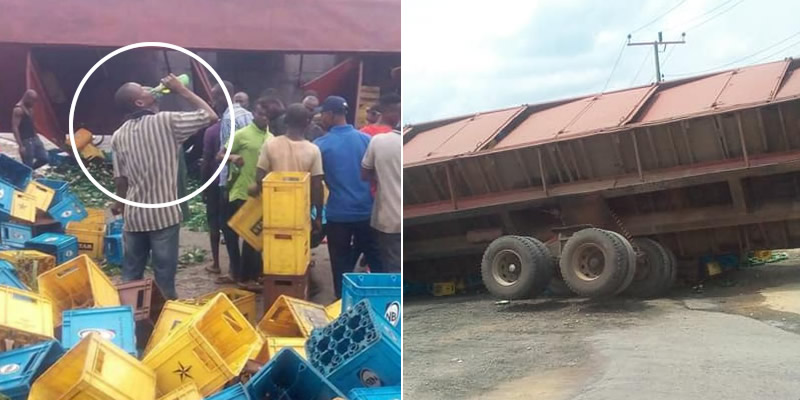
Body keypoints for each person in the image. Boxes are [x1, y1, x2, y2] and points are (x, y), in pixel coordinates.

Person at [110, 74, 217, 299]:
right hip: (164, 216)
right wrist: (181, 90)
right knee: (164, 278)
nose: (149, 87)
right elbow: (210, 116)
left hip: (135, 217)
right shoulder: (166, 122)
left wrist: (119, 204)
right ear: (140, 102)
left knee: (131, 276)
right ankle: (163, 315)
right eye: (142, 88)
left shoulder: (119, 135)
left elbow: (121, 180)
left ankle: (130, 315)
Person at [313, 96, 383, 297]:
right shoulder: (366, 140)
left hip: (338, 215)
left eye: (323, 114)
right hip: (367, 212)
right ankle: (381, 301)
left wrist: (317, 214)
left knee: (340, 264)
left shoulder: (320, 145)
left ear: (330, 114)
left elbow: (317, 183)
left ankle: (342, 302)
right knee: (375, 260)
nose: (321, 118)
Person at [219, 96, 274, 291]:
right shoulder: (242, 135)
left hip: (261, 194)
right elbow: (220, 155)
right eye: (260, 113)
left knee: (257, 237)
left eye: (267, 115)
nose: (263, 117)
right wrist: (233, 157)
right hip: (242, 192)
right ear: (253, 114)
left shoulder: (271, 138)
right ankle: (244, 277)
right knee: (249, 237)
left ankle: (254, 274)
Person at [250, 103, 324, 233]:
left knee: (273, 241)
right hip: (300, 212)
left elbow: (259, 178)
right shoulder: (313, 150)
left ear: (285, 121)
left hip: (273, 209)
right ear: (307, 124)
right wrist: (318, 216)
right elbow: (317, 186)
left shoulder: (270, 144)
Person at [217, 81, 253, 284]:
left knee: (228, 227)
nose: (213, 101)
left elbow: (225, 153)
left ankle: (235, 270)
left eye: (216, 97)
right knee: (247, 226)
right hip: (248, 180)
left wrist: (224, 184)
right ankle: (248, 271)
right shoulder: (247, 115)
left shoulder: (228, 118)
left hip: (232, 182)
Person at [361, 128, 401, 272]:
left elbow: (364, 174)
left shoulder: (379, 141)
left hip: (388, 219)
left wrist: (382, 174)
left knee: (391, 267)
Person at [12, 90, 48, 169]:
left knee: (44, 158)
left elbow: (31, 123)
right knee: (28, 164)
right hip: (26, 141)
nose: (34, 103)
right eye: (33, 100)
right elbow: (15, 128)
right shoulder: (18, 110)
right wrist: (21, 146)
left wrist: (36, 135)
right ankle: (27, 172)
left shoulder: (30, 108)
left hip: (34, 138)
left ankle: (30, 170)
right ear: (27, 98)